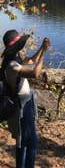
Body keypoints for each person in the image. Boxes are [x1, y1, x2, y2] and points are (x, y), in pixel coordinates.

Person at [1, 29, 51, 168]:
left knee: (23, 141)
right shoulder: (11, 64)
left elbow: (30, 60)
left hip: (25, 103)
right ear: (15, 46)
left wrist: (42, 48)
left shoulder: (14, 57)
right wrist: (44, 54)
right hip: (21, 106)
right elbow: (35, 73)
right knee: (30, 143)